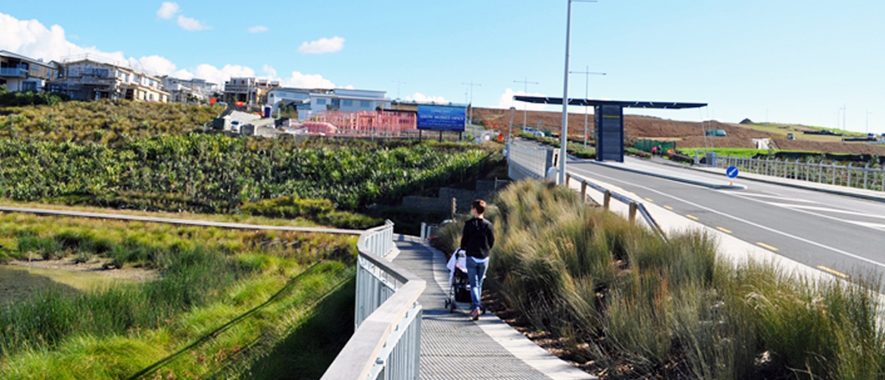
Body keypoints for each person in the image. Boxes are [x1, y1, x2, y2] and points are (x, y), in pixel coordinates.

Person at [460, 199, 495, 320]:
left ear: (475, 209)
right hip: (484, 257)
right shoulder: (488, 225)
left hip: (472, 257)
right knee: (479, 283)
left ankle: (476, 307)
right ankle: (477, 305)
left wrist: (464, 248)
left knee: (473, 284)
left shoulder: (469, 224)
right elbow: (491, 241)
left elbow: (464, 241)